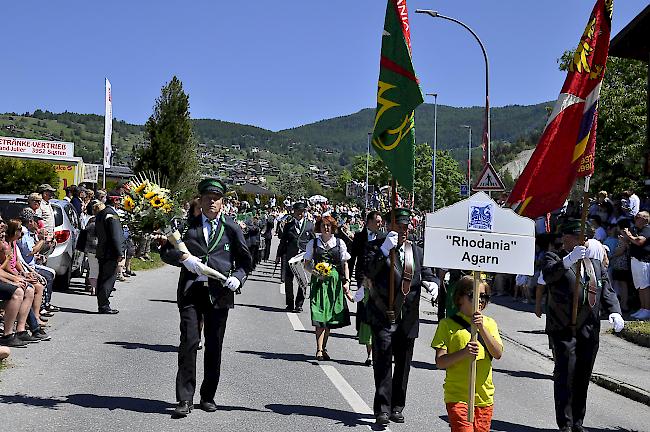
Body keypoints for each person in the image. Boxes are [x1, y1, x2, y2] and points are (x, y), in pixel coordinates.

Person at [160, 178, 252, 418]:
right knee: (189, 341)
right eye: (207, 198)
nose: (212, 202)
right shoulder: (186, 226)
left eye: (216, 198)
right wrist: (183, 259)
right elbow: (166, 251)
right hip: (191, 291)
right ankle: (184, 398)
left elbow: (245, 261)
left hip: (219, 293)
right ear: (200, 201)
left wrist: (238, 278)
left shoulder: (231, 228)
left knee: (214, 345)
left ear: (222, 203)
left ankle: (208, 395)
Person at [542, 219, 624, 432]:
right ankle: (566, 424)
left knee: (582, 376)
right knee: (565, 375)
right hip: (563, 327)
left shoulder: (595, 264)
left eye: (586, 238)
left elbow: (606, 290)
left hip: (589, 327)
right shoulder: (554, 257)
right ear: (565, 238)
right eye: (579, 237)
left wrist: (615, 310)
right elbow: (549, 275)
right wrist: (568, 260)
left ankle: (578, 422)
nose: (584, 242)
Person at [363, 208, 435, 425]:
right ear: (389, 226)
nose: (404, 230)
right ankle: (382, 409)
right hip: (383, 313)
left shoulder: (417, 251)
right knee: (383, 360)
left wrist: (434, 284)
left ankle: (397, 406)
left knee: (403, 364)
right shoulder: (376, 247)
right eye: (399, 226)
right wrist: (384, 250)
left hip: (408, 316)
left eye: (406, 226)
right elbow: (368, 272)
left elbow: (427, 273)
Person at [431, 276, 503, 432]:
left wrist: (482, 328)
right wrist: (464, 353)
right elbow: (440, 362)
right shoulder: (447, 325)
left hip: (484, 398)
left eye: (484, 296)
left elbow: (497, 353)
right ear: (460, 297)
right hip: (458, 397)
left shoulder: (490, 324)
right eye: (474, 295)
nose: (480, 300)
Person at [303, 216, 351, 361]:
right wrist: (317, 273)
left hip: (334, 283)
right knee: (319, 314)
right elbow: (306, 264)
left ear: (333, 227)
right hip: (319, 282)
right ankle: (318, 349)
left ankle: (323, 348)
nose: (326, 228)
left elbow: (345, 264)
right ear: (319, 227)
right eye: (323, 225)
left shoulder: (339, 243)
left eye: (329, 225)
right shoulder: (313, 243)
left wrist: (347, 281)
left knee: (328, 318)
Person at [276, 202, 315, 312]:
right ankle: (290, 303)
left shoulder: (309, 225)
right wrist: (279, 255)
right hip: (290, 256)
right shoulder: (288, 225)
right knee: (288, 280)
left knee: (302, 281)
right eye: (297, 211)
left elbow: (313, 241)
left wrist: (314, 255)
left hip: (303, 256)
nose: (299, 213)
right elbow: (283, 241)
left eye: (302, 211)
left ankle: (299, 304)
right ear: (293, 212)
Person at [94, 195, 125, 314]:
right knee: (108, 279)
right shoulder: (111, 214)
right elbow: (116, 235)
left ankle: (102, 304)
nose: (120, 202)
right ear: (115, 200)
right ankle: (104, 305)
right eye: (119, 200)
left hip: (102, 250)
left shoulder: (101, 213)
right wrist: (119, 252)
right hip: (110, 251)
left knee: (102, 278)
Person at [622, 211, 650, 320]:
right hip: (635, 260)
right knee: (639, 286)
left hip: (643, 261)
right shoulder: (637, 230)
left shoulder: (647, 229)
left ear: (645, 219)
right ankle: (643, 308)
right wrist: (626, 239)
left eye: (638, 217)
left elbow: (639, 241)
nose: (635, 219)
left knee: (645, 286)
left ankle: (647, 309)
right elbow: (633, 243)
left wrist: (629, 235)